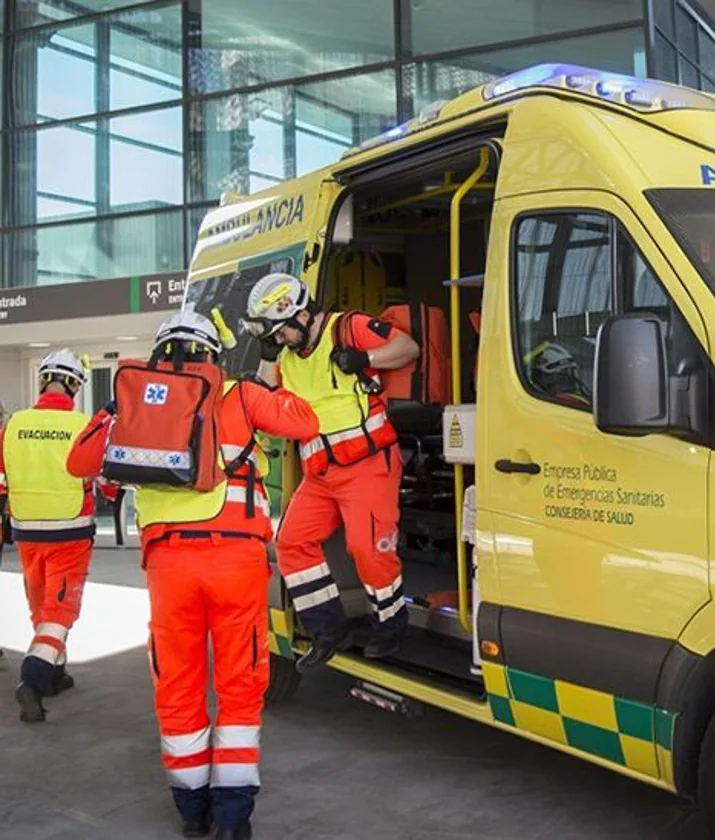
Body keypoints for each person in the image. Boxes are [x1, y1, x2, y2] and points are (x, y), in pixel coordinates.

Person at [68, 311, 318, 840]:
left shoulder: (134, 405)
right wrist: (264, 380)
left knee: (178, 685)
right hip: (236, 563)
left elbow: (79, 463)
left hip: (167, 567)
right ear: (213, 355)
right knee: (239, 684)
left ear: (160, 355)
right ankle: (232, 819)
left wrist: (114, 406)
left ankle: (191, 811)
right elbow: (305, 423)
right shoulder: (238, 396)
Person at [243, 273, 418, 670]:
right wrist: (268, 356)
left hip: (368, 466)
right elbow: (264, 402)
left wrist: (366, 359)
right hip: (321, 473)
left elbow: (408, 347)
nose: (281, 341)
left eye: (280, 334)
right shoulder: (287, 358)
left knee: (368, 548)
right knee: (290, 543)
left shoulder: (348, 328)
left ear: (300, 315)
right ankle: (328, 628)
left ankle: (390, 624)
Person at [0, 349, 94, 723]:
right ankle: (34, 679)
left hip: (26, 530)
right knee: (60, 610)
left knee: (41, 604)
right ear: (74, 385)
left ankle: (56, 672)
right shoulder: (83, 426)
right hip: (70, 530)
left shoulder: (14, 426)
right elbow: (98, 474)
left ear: (43, 381)